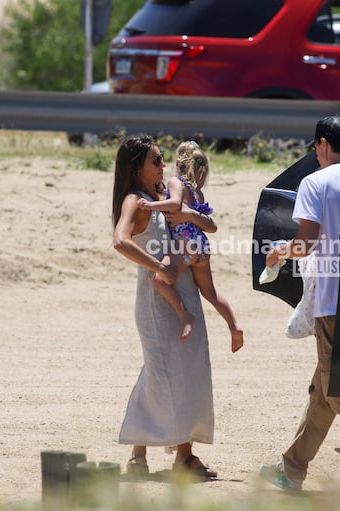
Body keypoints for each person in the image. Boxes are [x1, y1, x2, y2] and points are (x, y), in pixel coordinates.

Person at [258, 115, 340, 491]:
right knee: (325, 390)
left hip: (334, 301)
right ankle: (292, 468)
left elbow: (307, 243)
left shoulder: (314, 182)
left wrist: (280, 252)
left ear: (321, 145)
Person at [111, 134, 219, 479]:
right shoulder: (134, 201)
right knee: (162, 372)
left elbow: (203, 227)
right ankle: (156, 455)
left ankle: (172, 455)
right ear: (136, 168)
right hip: (157, 301)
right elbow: (120, 241)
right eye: (155, 161)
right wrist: (158, 267)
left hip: (184, 294)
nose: (163, 165)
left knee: (188, 371)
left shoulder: (164, 197)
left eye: (161, 159)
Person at [136, 145, 244, 353]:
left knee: (159, 280)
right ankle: (234, 326)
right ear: (201, 172)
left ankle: (184, 315)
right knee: (210, 292)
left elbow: (175, 203)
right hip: (201, 247)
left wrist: (150, 206)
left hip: (186, 244)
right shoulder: (198, 193)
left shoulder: (175, 182)